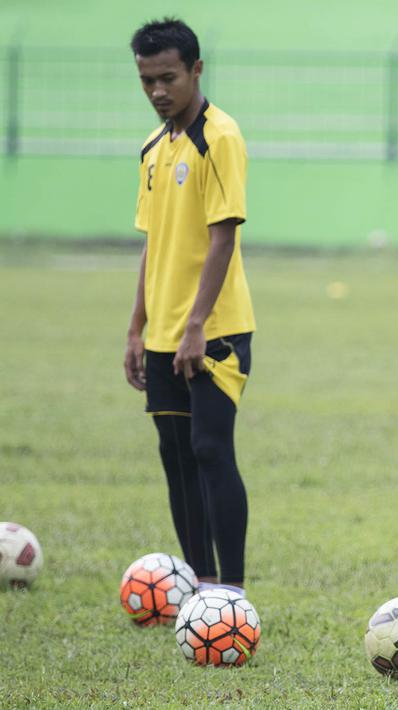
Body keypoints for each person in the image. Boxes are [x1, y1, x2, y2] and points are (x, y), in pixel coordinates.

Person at [123, 18, 255, 597]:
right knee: (175, 456)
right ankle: (202, 587)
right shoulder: (153, 148)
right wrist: (136, 328)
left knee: (210, 449)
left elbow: (223, 236)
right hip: (162, 335)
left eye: (168, 78)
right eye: (147, 80)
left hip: (215, 330)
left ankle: (232, 592)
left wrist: (196, 325)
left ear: (196, 70)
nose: (157, 91)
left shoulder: (219, 137)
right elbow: (153, 243)